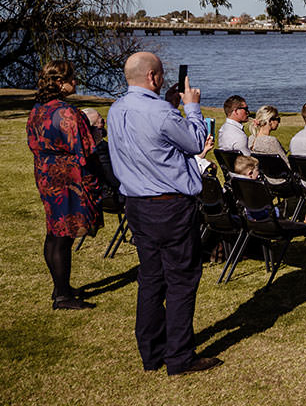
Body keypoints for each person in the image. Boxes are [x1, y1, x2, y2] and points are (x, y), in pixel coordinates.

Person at [108, 51, 221, 375]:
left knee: (151, 278)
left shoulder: (116, 110)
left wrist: (173, 108)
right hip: (169, 204)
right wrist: (192, 107)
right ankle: (180, 357)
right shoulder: (161, 112)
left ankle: (151, 352)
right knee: (181, 279)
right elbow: (196, 141)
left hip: (136, 204)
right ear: (153, 78)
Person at [27, 60, 100, 311]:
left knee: (54, 232)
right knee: (63, 236)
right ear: (59, 82)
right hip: (66, 177)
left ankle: (61, 287)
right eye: (71, 78)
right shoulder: (67, 112)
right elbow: (86, 149)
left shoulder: (38, 109)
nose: (75, 82)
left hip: (45, 173)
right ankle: (62, 297)